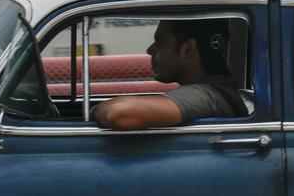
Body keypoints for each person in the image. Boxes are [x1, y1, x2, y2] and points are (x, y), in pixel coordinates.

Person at [92, 19, 247, 130]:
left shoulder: (208, 95)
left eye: (160, 42)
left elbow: (119, 113)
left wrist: (93, 110)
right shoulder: (219, 91)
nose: (150, 50)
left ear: (188, 49)